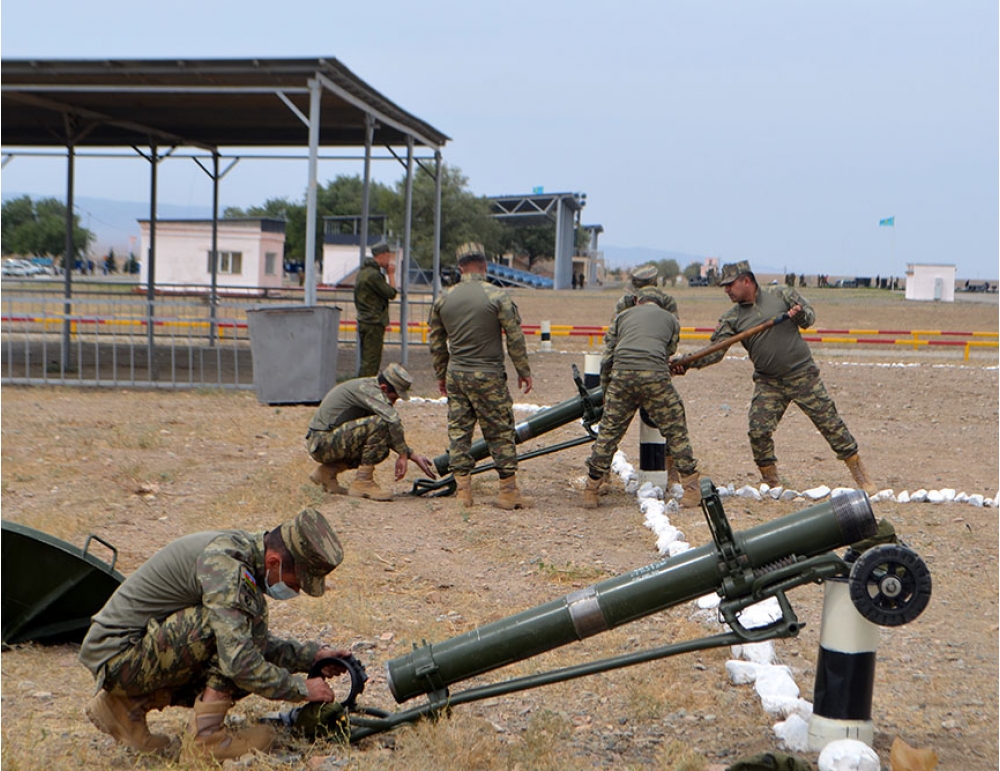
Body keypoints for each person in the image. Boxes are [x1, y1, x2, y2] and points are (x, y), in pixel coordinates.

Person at [79, 508, 349, 762]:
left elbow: (253, 644)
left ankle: (122, 706)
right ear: (273, 561)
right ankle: (206, 739)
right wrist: (300, 688)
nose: (296, 591)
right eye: (296, 583)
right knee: (228, 642)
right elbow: (239, 661)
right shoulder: (227, 568)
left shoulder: (244, 555)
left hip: (127, 653)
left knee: (240, 636)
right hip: (118, 657)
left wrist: (311, 657)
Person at [670, 260, 877, 494]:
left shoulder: (782, 294)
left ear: (746, 281)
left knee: (830, 424)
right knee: (758, 431)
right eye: (724, 286)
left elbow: (809, 319)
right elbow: (714, 352)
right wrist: (685, 363)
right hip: (768, 382)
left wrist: (798, 315)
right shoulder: (732, 318)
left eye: (730, 285)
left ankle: (860, 473)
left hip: (802, 375)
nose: (726, 290)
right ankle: (771, 482)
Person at [428, 242, 533, 509]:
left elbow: (436, 342)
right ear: (484, 265)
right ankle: (508, 491)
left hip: (457, 374)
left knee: (459, 431)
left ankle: (463, 492)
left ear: (460, 267)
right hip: (489, 374)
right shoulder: (497, 295)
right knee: (500, 430)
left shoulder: (443, 298)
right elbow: (514, 337)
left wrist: (441, 374)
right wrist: (523, 371)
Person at [583, 287, 702, 509]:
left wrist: (607, 391)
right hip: (655, 378)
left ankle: (591, 489)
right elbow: (668, 351)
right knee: (676, 429)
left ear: (638, 301)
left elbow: (608, 358)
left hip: (622, 377)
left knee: (608, 434)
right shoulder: (671, 319)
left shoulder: (622, 317)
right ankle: (691, 489)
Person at [306, 363, 436, 501]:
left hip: (324, 442)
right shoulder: (368, 389)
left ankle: (326, 473)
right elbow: (391, 420)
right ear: (384, 388)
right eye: (393, 398)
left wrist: (412, 455)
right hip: (322, 442)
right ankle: (363, 482)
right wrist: (403, 455)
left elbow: (385, 432)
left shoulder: (370, 388)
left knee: (381, 448)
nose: (393, 403)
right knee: (381, 422)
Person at [354, 242, 397, 377]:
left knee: (366, 360)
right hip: (374, 322)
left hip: (364, 320)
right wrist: (391, 274)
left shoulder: (363, 273)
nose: (389, 260)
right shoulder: (374, 276)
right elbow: (391, 293)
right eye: (388, 256)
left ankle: (362, 385)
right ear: (382, 255)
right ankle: (364, 387)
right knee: (371, 363)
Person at [613, 264, 678, 318]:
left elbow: (615, 325)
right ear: (655, 282)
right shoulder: (667, 300)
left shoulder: (626, 301)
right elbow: (674, 325)